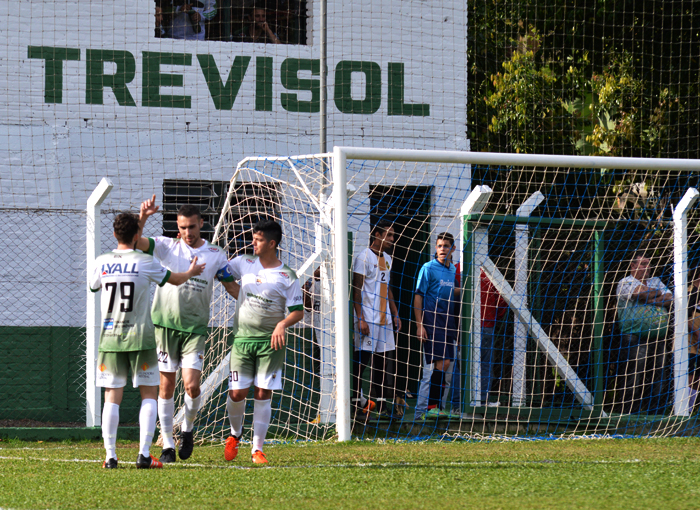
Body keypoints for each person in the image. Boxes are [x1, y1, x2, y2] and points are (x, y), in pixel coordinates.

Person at [90, 212, 205, 469]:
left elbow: (93, 286)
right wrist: (191, 271)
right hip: (141, 337)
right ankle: (143, 454)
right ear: (136, 236)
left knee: (112, 396)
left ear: (114, 234)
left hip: (110, 338)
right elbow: (174, 280)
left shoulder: (102, 261)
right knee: (149, 395)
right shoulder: (144, 262)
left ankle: (110, 457)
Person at [136, 196, 238, 463]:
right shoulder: (167, 246)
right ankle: (168, 443)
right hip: (165, 327)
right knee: (166, 386)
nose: (187, 232)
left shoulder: (215, 254)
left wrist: (258, 305)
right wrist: (143, 217)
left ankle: (188, 428)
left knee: (192, 386)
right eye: (183, 227)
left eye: (192, 227)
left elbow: (230, 285)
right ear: (178, 228)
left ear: (201, 224)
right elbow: (134, 242)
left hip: (194, 330)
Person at [223, 219, 304, 464]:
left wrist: (281, 324)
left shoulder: (287, 275)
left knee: (262, 392)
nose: (253, 243)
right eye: (253, 238)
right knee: (237, 393)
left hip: (271, 343)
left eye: (258, 240)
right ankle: (235, 435)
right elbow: (222, 274)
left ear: (271, 243)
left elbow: (297, 311)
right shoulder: (243, 263)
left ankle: (257, 449)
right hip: (242, 340)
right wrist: (239, 295)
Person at [352, 221, 402, 419]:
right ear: (377, 235)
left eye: (393, 235)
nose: (392, 239)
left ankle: (379, 404)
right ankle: (355, 403)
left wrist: (395, 313)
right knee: (361, 362)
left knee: (381, 362)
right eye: (388, 235)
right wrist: (360, 318)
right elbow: (356, 290)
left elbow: (387, 287)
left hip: (385, 319)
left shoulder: (388, 258)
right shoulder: (363, 257)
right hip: (369, 319)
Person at [616, 252, 672, 414]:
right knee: (634, 374)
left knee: (659, 374)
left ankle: (657, 413)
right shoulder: (625, 282)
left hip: (659, 337)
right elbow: (640, 294)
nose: (647, 267)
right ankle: (629, 412)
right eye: (643, 264)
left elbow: (669, 298)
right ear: (633, 266)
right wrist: (655, 294)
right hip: (634, 336)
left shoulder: (655, 281)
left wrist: (650, 297)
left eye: (649, 264)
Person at [414, 233, 460, 420]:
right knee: (439, 364)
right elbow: (418, 295)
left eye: (446, 246)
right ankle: (429, 408)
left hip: (448, 322)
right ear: (436, 248)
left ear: (453, 249)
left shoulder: (452, 271)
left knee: (447, 364)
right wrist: (419, 325)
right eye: (439, 246)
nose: (442, 249)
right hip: (432, 320)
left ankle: (436, 407)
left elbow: (452, 290)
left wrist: (467, 288)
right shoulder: (428, 268)